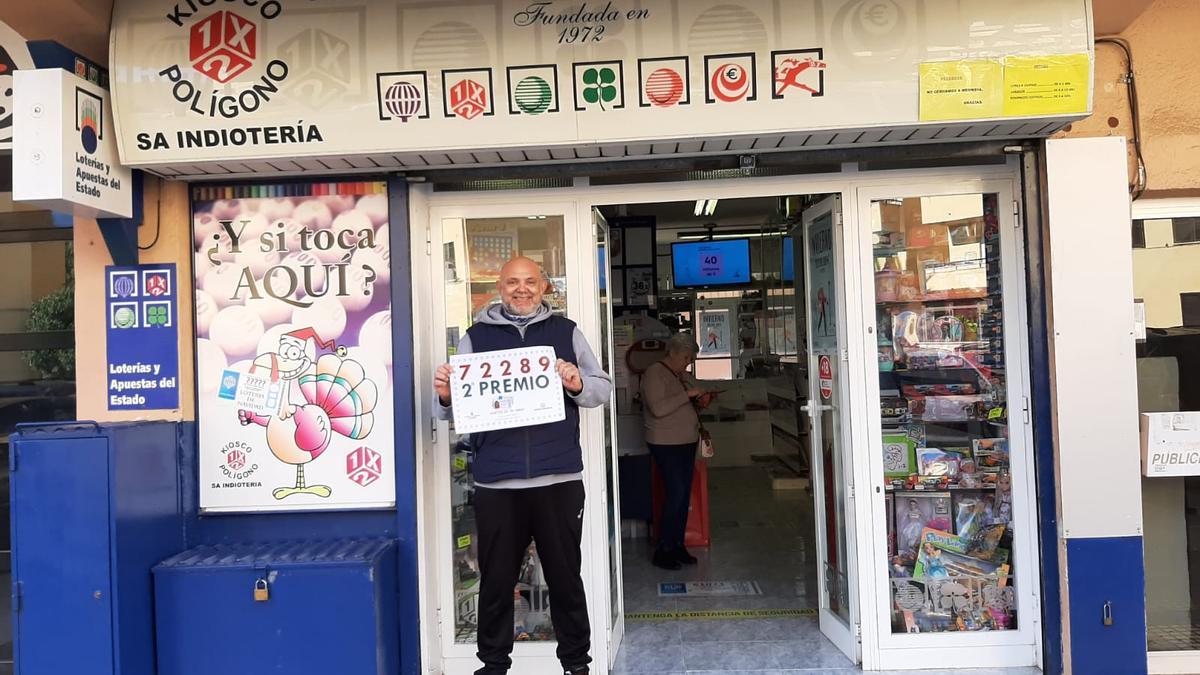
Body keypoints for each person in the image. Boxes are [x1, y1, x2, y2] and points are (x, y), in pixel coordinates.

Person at [434, 256, 612, 675]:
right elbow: (454, 412)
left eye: (530, 282)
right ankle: (493, 666)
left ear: (544, 286)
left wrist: (577, 383)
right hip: (499, 483)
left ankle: (576, 664)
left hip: (560, 478)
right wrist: (444, 395)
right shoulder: (475, 339)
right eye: (513, 282)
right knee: (495, 582)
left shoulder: (566, 333)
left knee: (566, 578)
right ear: (499, 286)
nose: (522, 289)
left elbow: (601, 389)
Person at [639, 332, 710, 570]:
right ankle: (664, 548)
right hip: (665, 442)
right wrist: (686, 394)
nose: (688, 363)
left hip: (685, 441)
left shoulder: (682, 375)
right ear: (675, 352)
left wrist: (700, 398)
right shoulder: (654, 373)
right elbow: (658, 408)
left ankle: (677, 544)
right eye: (687, 358)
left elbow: (684, 402)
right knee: (676, 493)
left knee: (682, 495)